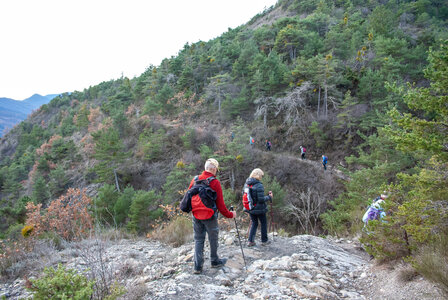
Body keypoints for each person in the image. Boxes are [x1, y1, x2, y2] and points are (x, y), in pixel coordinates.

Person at [188, 158, 236, 274]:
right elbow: (221, 206)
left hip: (196, 215)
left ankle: (197, 267)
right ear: (214, 169)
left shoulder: (195, 179)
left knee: (199, 240)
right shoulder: (214, 182)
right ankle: (214, 261)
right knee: (213, 238)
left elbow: (188, 196)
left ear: (206, 168)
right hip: (210, 216)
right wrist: (231, 215)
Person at [244, 168, 273, 247]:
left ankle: (250, 241)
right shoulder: (259, 185)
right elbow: (261, 199)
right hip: (259, 208)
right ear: (258, 175)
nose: (262, 177)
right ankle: (264, 241)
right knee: (263, 223)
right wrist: (269, 197)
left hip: (250, 208)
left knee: (254, 223)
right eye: (261, 176)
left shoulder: (247, 183)